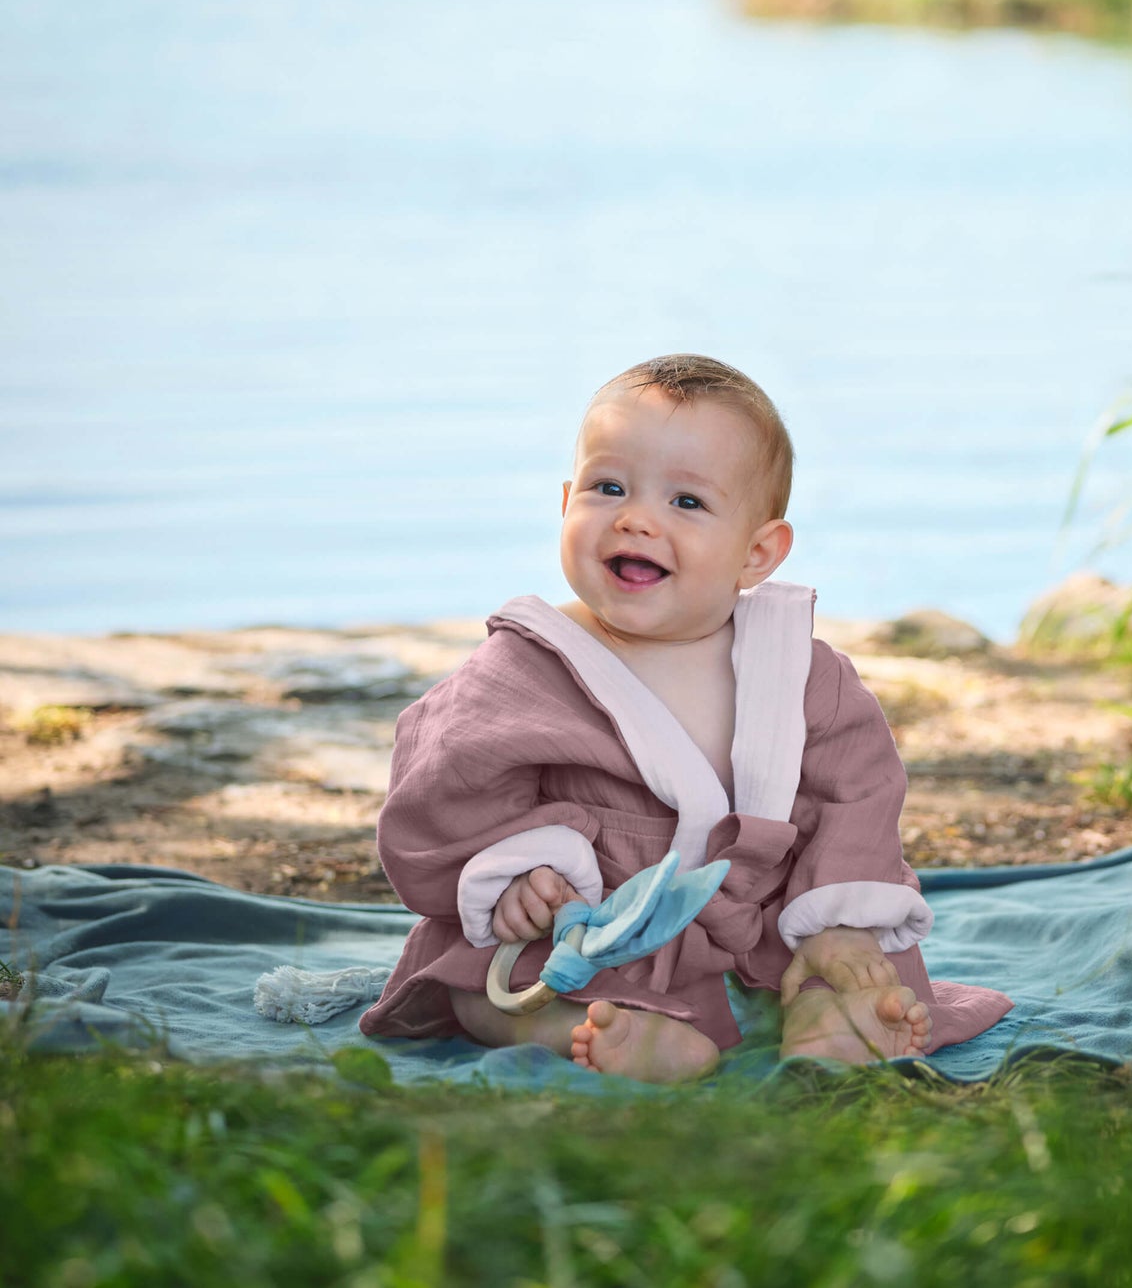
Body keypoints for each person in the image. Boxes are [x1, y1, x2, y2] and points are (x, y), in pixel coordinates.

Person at [359, 354, 1011, 1081]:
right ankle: (583, 1028)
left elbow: (856, 795)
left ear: (757, 552)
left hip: (763, 926)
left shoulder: (799, 671)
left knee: (852, 958)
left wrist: (837, 924)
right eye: (609, 488)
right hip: (594, 929)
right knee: (484, 988)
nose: (636, 517)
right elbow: (440, 792)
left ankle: (829, 1011)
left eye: (688, 503)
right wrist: (521, 872)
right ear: (566, 501)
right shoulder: (523, 670)